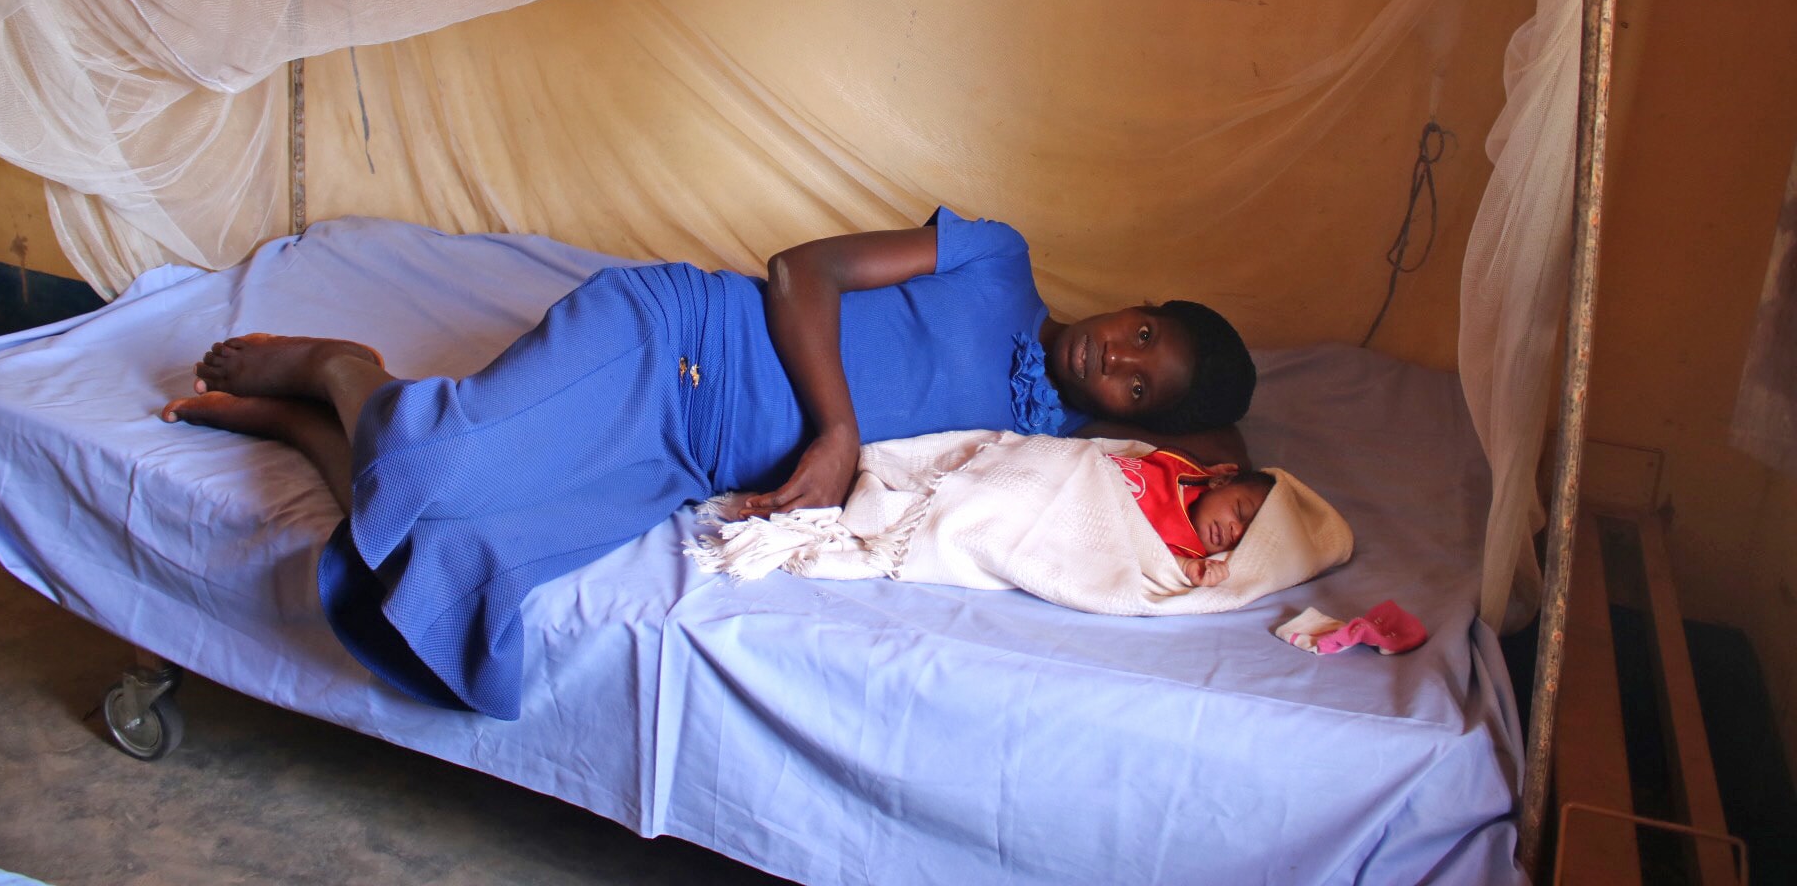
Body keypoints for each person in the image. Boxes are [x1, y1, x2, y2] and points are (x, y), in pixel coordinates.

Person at [161, 208, 1256, 718]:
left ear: (1130, 421)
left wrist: (1208, 445)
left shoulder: (1048, 452)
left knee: (474, 589)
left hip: (681, 458)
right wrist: (834, 430)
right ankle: (343, 370)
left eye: (1141, 384)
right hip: (672, 339)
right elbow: (800, 270)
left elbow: (1229, 464)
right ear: (1139, 303)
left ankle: (312, 434)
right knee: (439, 460)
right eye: (1145, 335)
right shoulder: (998, 258)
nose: (1121, 356)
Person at [1109, 447, 1276, 587]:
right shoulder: (1187, 475)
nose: (1236, 532)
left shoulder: (1189, 555)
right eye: (1239, 510)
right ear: (1220, 482)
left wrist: (1186, 566)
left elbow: (1147, 558)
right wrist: (1205, 472)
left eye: (1244, 539)